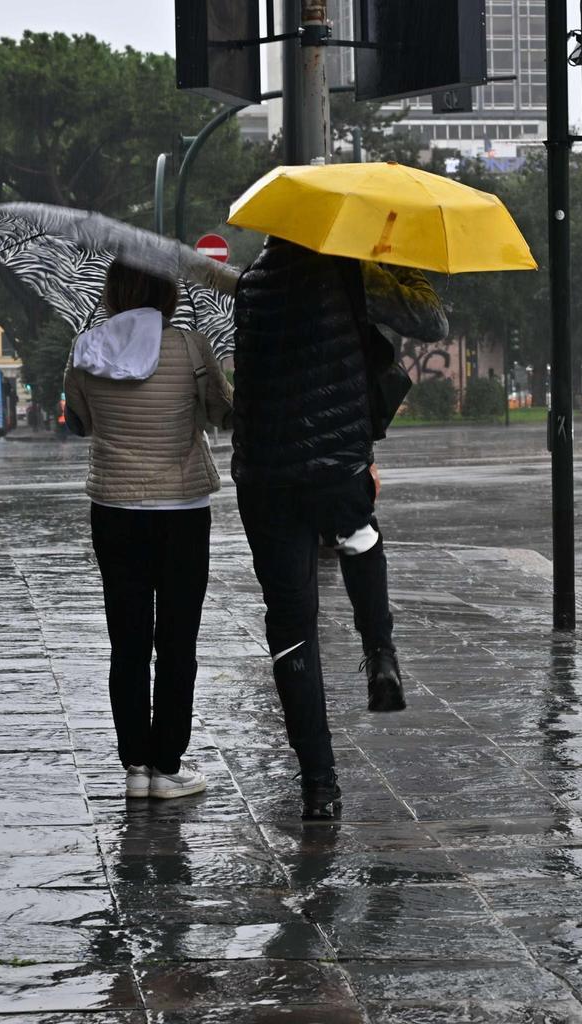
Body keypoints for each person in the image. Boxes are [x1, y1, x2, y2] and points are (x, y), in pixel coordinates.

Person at [231, 237, 447, 820]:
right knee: (360, 537)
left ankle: (319, 785)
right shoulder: (351, 272)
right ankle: (379, 650)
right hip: (338, 467)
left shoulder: (251, 284)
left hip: (265, 478)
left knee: (291, 627)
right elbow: (430, 320)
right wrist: (393, 258)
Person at [64, 264, 233, 800]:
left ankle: (135, 766)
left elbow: (80, 422)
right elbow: (220, 413)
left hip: (114, 509)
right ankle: (167, 765)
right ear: (168, 294)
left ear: (113, 294)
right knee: (178, 640)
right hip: (182, 510)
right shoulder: (189, 347)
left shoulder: (86, 349)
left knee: (128, 639)